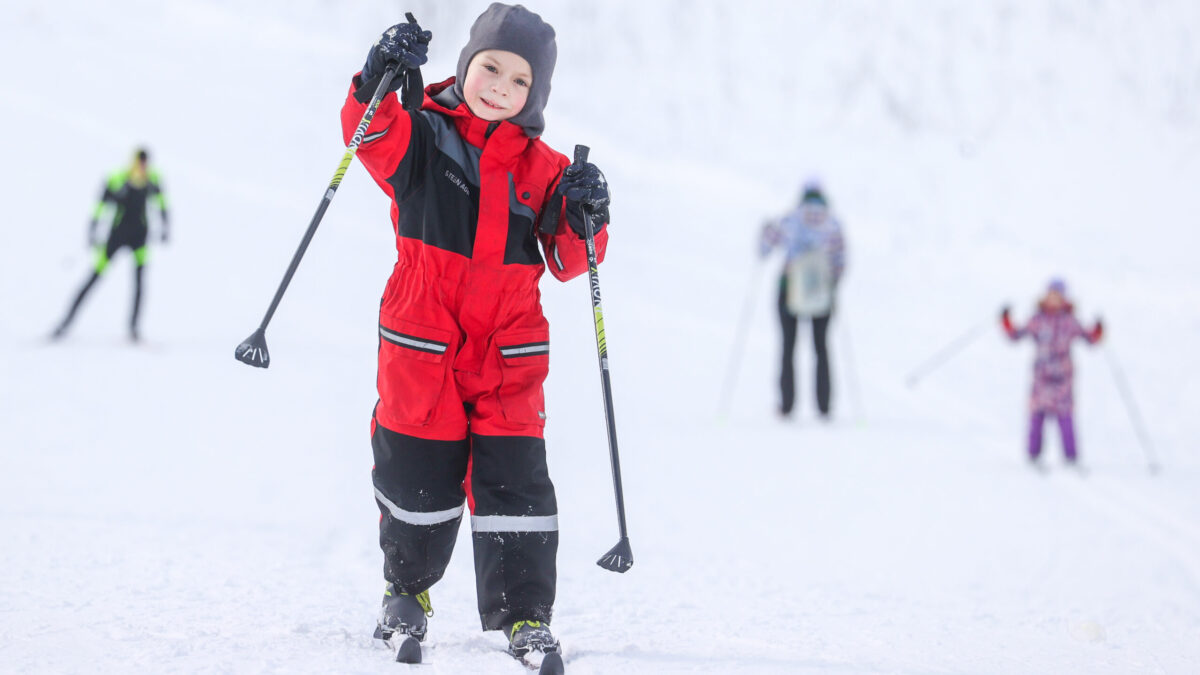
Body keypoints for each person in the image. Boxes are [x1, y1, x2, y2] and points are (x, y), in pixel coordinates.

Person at [342, 4, 610, 663]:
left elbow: (571, 260)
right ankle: (405, 592)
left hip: (510, 349)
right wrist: (377, 76)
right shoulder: (425, 133)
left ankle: (525, 614)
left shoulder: (543, 168)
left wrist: (588, 213)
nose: (499, 87)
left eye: (518, 81)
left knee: (516, 484)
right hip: (423, 335)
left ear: (534, 94)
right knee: (416, 473)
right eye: (490, 67)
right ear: (465, 65)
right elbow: (368, 136)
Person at [52, 147, 169, 342]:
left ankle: (134, 329)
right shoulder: (118, 178)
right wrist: (93, 229)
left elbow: (162, 202)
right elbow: (101, 205)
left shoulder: (153, 179)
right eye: (139, 162)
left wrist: (165, 225)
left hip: (140, 237)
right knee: (94, 278)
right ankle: (65, 322)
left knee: (139, 283)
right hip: (117, 236)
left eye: (145, 162)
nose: (142, 166)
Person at [760, 180, 846, 419]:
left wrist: (765, 231)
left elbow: (765, 249)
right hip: (821, 293)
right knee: (821, 347)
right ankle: (824, 406)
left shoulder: (790, 220)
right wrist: (832, 284)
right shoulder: (833, 225)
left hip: (790, 290)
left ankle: (787, 405)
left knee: (788, 346)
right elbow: (840, 261)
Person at [1002, 279, 1103, 467]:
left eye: (1058, 297)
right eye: (1051, 296)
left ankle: (1071, 456)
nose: (1054, 300)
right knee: (1037, 415)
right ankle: (1033, 454)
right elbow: (1016, 335)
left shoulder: (1069, 322)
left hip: (1063, 378)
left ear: (1064, 299)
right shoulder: (1037, 320)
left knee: (1065, 417)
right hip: (1041, 376)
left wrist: (1098, 330)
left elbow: (1089, 339)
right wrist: (1006, 320)